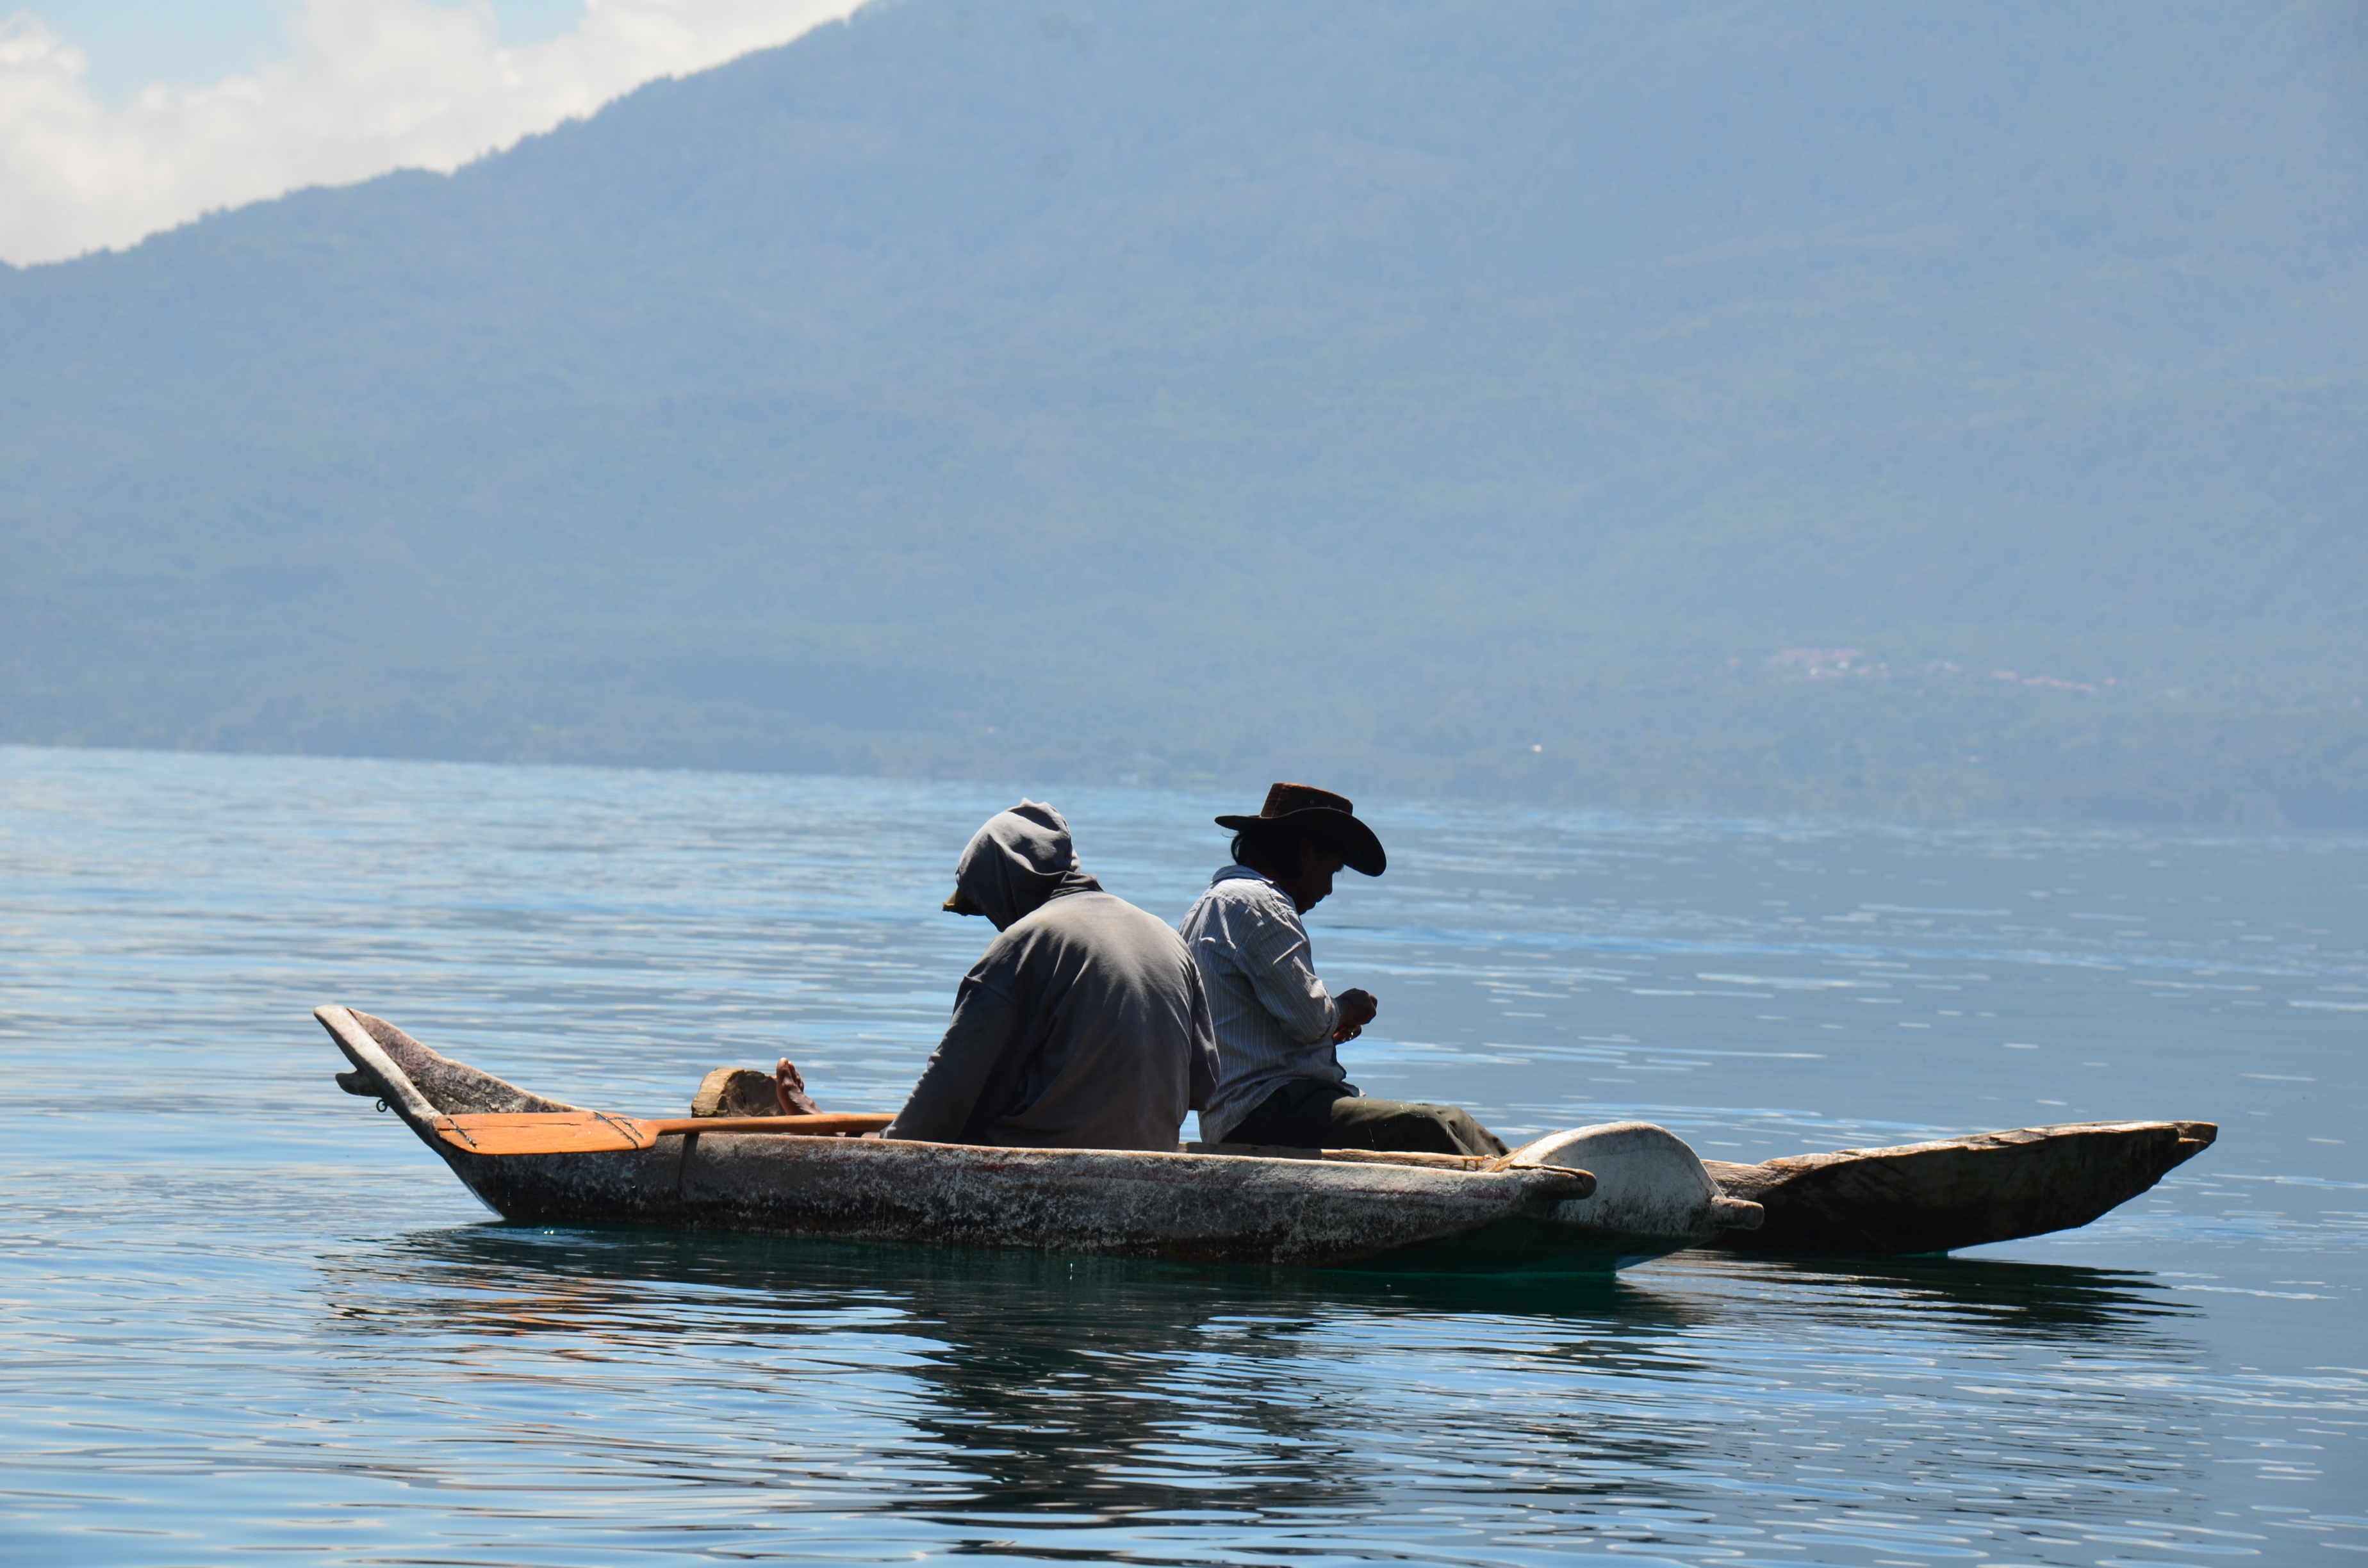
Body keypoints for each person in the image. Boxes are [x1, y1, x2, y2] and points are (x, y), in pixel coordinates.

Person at [1180, 782, 1508, 1157]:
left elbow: (1257, 1030)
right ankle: (1511, 1183)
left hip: (1264, 1110)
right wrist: (1347, 1007)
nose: (1329, 889)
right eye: (1332, 870)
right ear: (1306, 850)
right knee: (1424, 1127)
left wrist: (1326, 1029)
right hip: (1266, 1112)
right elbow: (1311, 1019)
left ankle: (1526, 1172)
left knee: (1454, 1121)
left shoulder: (1209, 906)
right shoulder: (1259, 903)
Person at [882, 799, 1219, 1150]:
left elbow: (947, 1093)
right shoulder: (1167, 938)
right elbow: (1203, 1085)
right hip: (1151, 1162)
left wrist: (885, 1149)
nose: (996, 923)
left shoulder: (1026, 943)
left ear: (1001, 887)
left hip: (1042, 1168)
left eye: (986, 907)